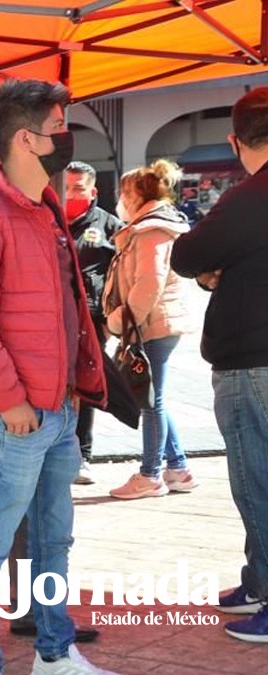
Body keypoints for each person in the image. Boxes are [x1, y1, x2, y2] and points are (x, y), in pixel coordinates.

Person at [0, 79, 117, 675]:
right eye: (58, 128)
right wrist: (12, 400)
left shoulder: (45, 207)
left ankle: (53, 649)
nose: (66, 139)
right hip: (14, 414)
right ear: (26, 138)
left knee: (54, 540)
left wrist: (75, 386)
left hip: (59, 406)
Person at [171, 86, 268, 643]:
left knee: (257, 483)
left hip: (253, 362)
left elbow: (188, 257)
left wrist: (217, 272)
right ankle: (258, 580)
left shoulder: (248, 196)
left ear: (236, 141)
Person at [105, 160, 198, 500]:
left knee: (149, 400)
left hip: (152, 324)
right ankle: (178, 468)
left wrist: (121, 321)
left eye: (123, 192)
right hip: (152, 322)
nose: (120, 199)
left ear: (136, 194)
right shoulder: (149, 225)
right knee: (153, 396)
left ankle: (151, 475)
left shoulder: (151, 230)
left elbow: (149, 283)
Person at [63, 161, 122, 486]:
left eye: (78, 188)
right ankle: (56, 454)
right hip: (51, 319)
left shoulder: (109, 225)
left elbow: (122, 271)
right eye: (66, 187)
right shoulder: (47, 218)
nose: (71, 194)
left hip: (92, 321)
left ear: (93, 191)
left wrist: (114, 319)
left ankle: (82, 456)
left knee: (85, 386)